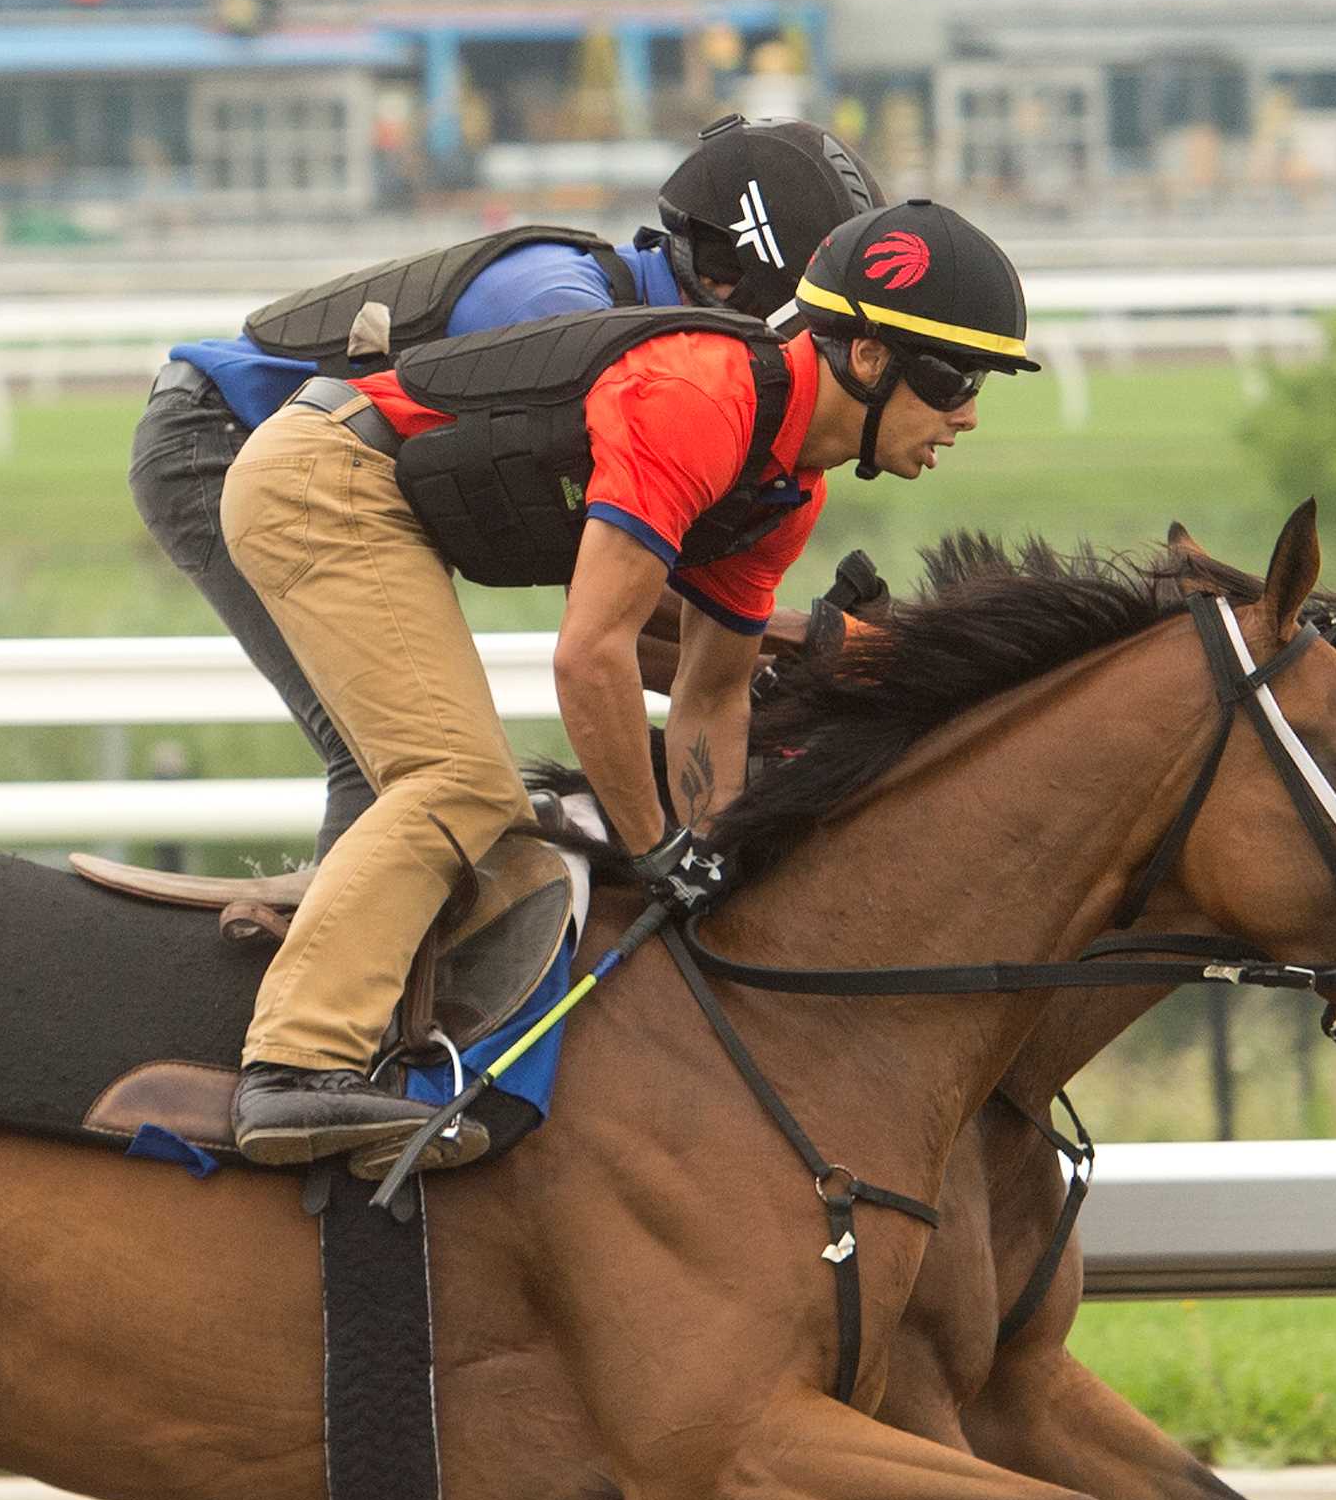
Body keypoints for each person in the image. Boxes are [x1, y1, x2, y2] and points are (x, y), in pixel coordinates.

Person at [221, 196, 1040, 1168]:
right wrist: (657, 848)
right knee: (459, 782)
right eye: (955, 376)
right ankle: (292, 1069)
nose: (969, 412)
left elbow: (710, 690)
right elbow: (591, 653)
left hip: (385, 496)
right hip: (321, 479)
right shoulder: (702, 400)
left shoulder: (788, 489)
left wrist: (716, 852)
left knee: (495, 799)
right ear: (867, 356)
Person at [130, 117, 881, 858]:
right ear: (725, 281)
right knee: (390, 766)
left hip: (305, 461)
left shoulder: (644, 340)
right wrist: (803, 638)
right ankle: (326, 976)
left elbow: (645, 631)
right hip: (219, 441)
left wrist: (752, 662)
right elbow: (611, 611)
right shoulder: (558, 308)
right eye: (800, 326)